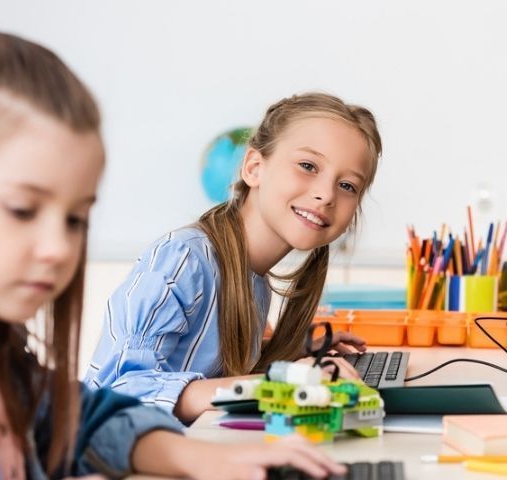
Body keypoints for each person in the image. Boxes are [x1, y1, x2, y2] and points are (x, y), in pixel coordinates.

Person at [0, 23, 344, 480]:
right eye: (22, 209)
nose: (60, 247)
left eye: (76, 218)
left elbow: (80, 420)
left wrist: (198, 457)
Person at [85, 92, 382, 423]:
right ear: (254, 168)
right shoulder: (185, 259)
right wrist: (284, 383)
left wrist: (294, 354)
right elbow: (123, 391)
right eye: (308, 166)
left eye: (347, 186)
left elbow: (213, 372)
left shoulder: (254, 281)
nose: (326, 194)